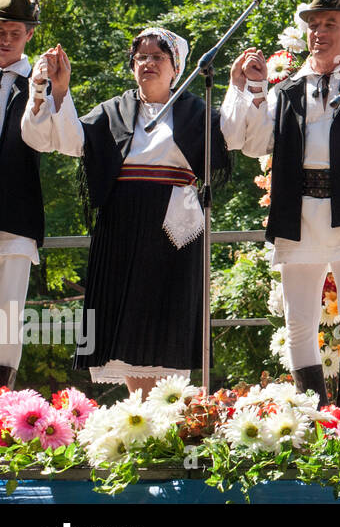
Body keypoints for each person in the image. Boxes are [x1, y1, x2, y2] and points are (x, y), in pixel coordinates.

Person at [22, 27, 230, 393]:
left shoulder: (196, 111)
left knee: (167, 315)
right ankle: (140, 414)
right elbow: (73, 141)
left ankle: (170, 414)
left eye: (157, 57)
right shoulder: (114, 110)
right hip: (122, 224)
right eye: (141, 57)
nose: (148, 63)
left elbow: (235, 138)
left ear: (175, 67)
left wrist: (248, 90)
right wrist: (60, 89)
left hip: (173, 229)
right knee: (127, 321)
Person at [223, 0, 340, 411]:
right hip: (299, 214)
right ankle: (315, 420)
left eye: (330, 23)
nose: (319, 31)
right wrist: (257, 89)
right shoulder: (289, 90)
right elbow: (254, 144)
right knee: (299, 323)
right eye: (314, 23)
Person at [0, 0, 47, 388]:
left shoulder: (40, 82)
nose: (4, 39)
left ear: (29, 34)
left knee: (8, 310)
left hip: (15, 201)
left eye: (13, 31)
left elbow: (51, 138)